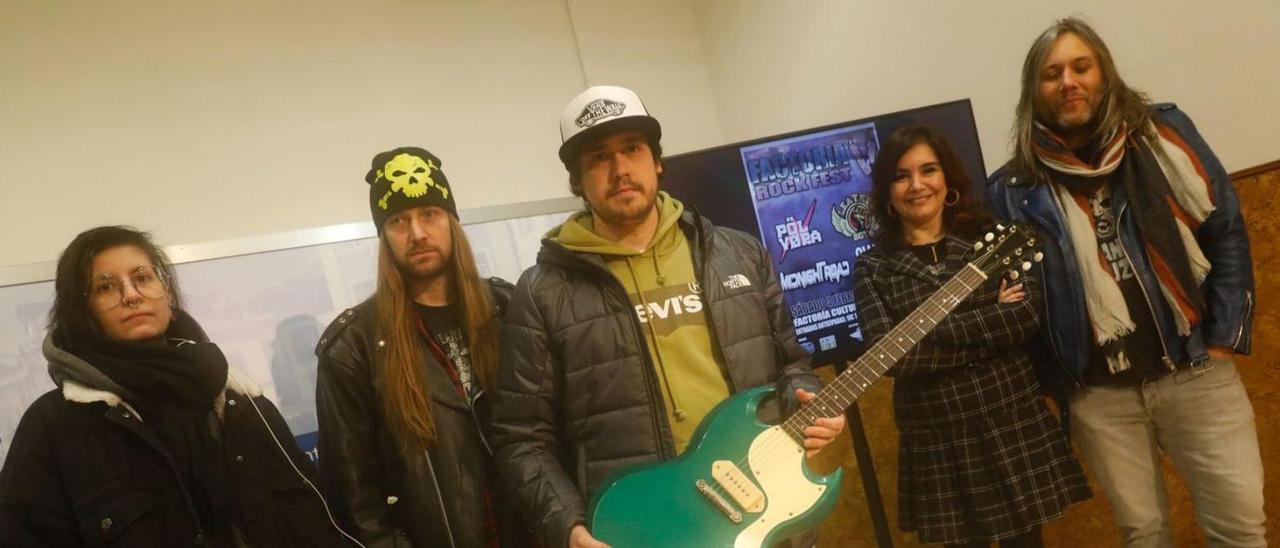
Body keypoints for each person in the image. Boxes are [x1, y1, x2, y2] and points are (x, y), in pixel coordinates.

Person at [490, 84, 846, 548]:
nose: (620, 169)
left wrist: (810, 399)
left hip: (764, 514)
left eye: (632, 149)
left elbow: (793, 365)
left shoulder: (739, 255)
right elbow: (522, 440)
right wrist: (569, 527)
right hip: (645, 529)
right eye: (598, 157)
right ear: (577, 181)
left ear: (656, 160)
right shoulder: (541, 292)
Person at [986, 17, 1263, 547]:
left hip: (1196, 370)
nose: (1068, 81)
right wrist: (1063, 385)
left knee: (1240, 527)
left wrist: (1225, 337)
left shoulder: (1163, 137)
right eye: (1052, 73)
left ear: (1103, 73)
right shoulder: (1013, 190)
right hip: (1102, 398)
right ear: (1033, 91)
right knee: (1144, 533)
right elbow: (1026, 308)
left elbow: (1224, 229)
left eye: (1080, 66)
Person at [0, 226, 351, 547]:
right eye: (106, 287)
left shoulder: (241, 401)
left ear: (166, 292)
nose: (131, 295)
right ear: (83, 310)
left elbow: (316, 523)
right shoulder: (55, 426)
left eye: (142, 277)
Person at [852, 125, 1091, 547]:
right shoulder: (874, 268)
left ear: (947, 180)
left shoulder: (993, 238)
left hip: (1010, 419)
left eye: (928, 170)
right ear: (887, 191)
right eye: (901, 175)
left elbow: (1022, 319)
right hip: (936, 437)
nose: (916, 185)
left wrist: (920, 330)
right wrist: (985, 316)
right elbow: (889, 357)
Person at [315, 146, 529, 547]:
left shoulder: (509, 309)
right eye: (398, 221)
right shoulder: (353, 348)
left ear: (451, 221)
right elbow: (355, 505)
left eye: (429, 214)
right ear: (384, 237)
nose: (417, 233)